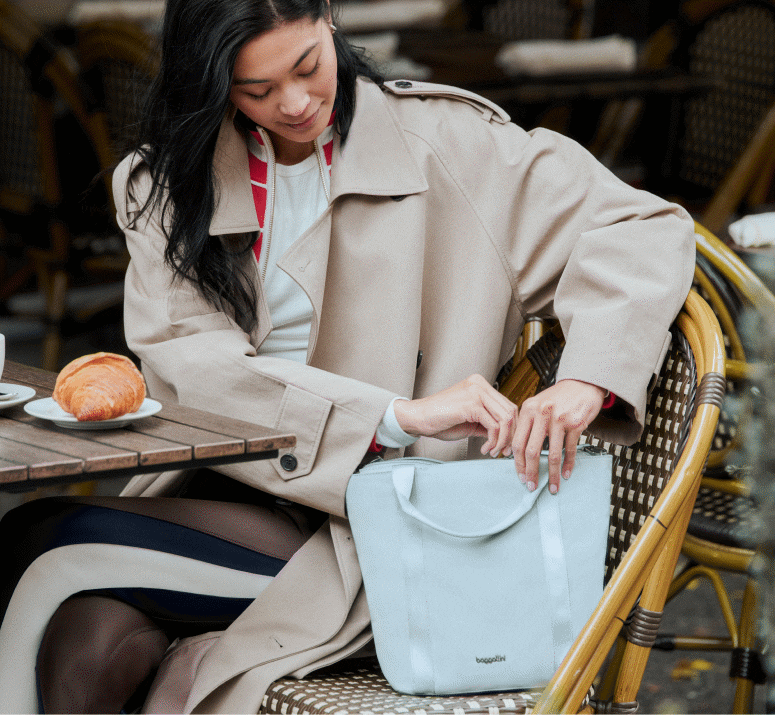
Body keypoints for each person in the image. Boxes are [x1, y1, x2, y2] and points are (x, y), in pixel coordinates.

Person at [0, 0, 696, 711]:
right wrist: (395, 413)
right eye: (257, 90)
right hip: (226, 487)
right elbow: (192, 364)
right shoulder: (169, 182)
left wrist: (586, 379)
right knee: (84, 641)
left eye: (307, 67)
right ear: (209, 84)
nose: (296, 103)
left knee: (44, 541)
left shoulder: (449, 144)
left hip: (379, 517)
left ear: (328, 18)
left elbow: (640, 224)